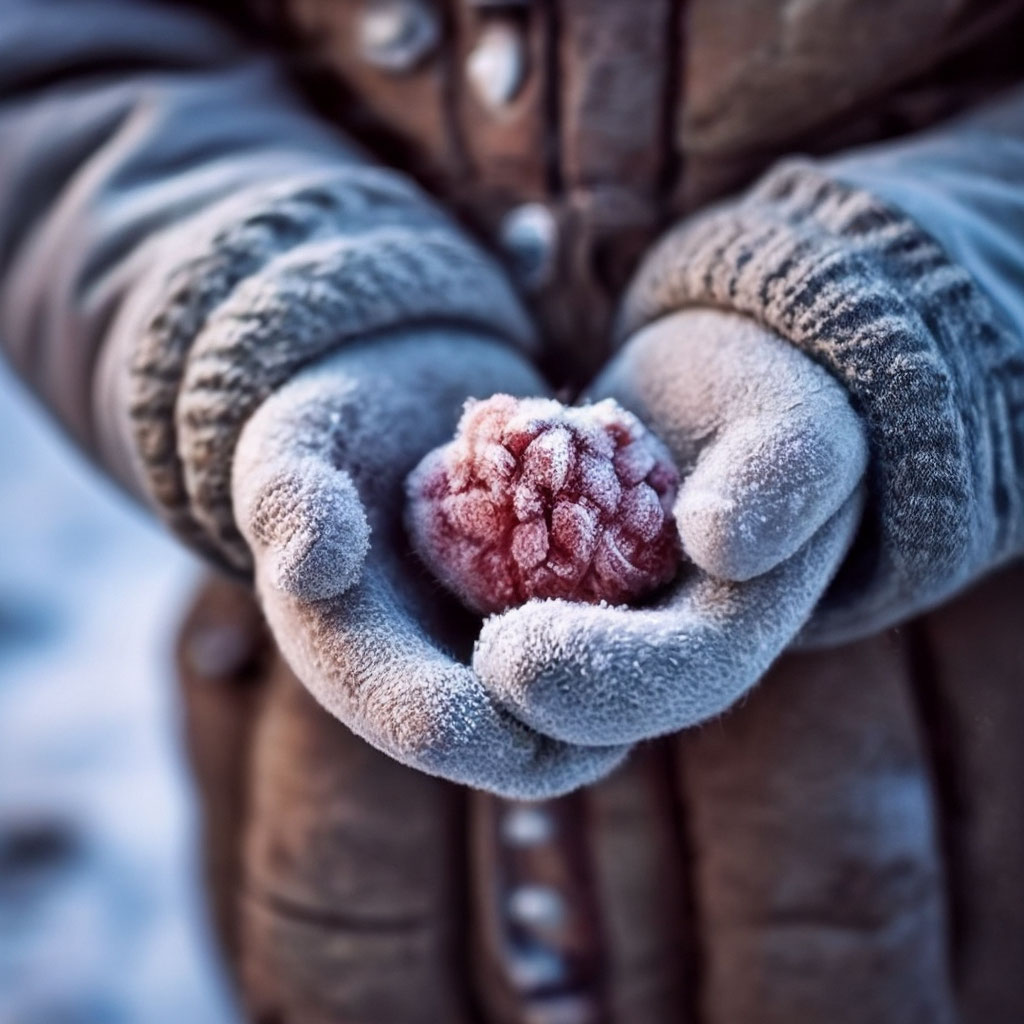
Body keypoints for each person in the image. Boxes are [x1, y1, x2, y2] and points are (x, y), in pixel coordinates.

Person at [3, 1, 1024, 1020]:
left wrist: (913, 325)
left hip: (935, 817)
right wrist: (269, 295)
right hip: (356, 856)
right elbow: (59, 63)